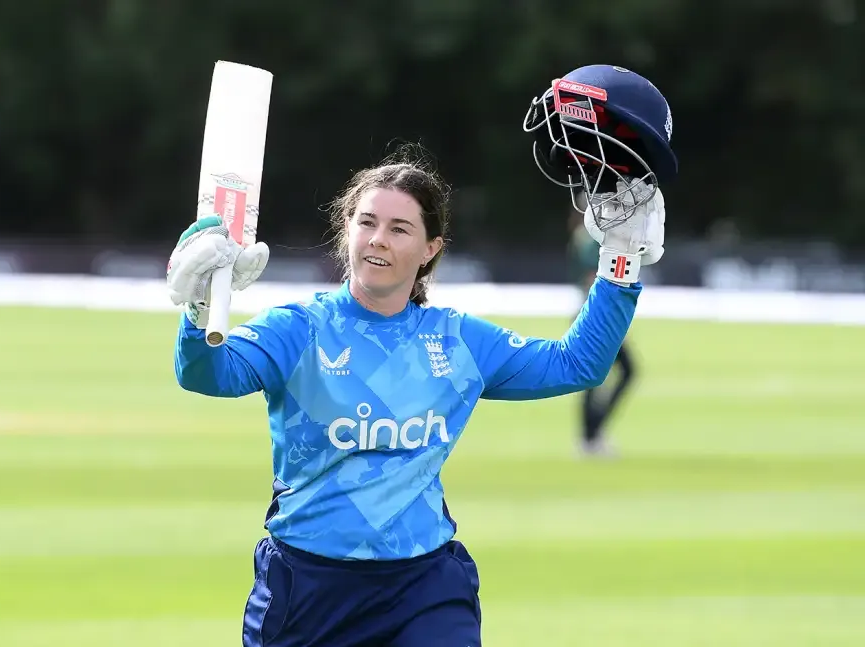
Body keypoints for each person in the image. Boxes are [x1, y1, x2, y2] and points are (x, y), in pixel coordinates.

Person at [167, 63, 675, 647]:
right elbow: (208, 375)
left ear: (432, 249)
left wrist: (620, 264)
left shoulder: (458, 340)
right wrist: (199, 310)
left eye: (400, 229)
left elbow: (579, 364)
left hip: (423, 589)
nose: (379, 239)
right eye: (367, 223)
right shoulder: (299, 328)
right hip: (307, 588)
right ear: (346, 233)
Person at [567, 207, 636, 457]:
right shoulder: (589, 240)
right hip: (596, 316)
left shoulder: (584, 237)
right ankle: (591, 436)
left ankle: (591, 434)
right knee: (613, 373)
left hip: (592, 314)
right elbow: (594, 277)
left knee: (596, 376)